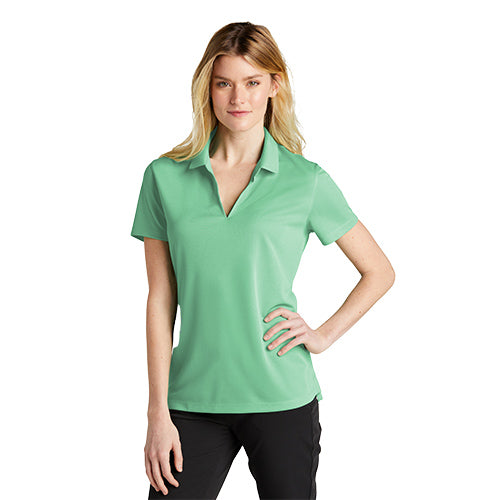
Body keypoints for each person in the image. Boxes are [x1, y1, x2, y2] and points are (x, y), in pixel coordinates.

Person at [131, 21, 395, 500]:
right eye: (224, 83)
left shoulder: (305, 181)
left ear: (275, 85)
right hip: (191, 400)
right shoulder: (164, 177)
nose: (239, 98)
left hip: (281, 396)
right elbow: (160, 299)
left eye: (252, 82)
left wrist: (322, 335)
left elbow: (379, 271)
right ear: (207, 88)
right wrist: (157, 413)